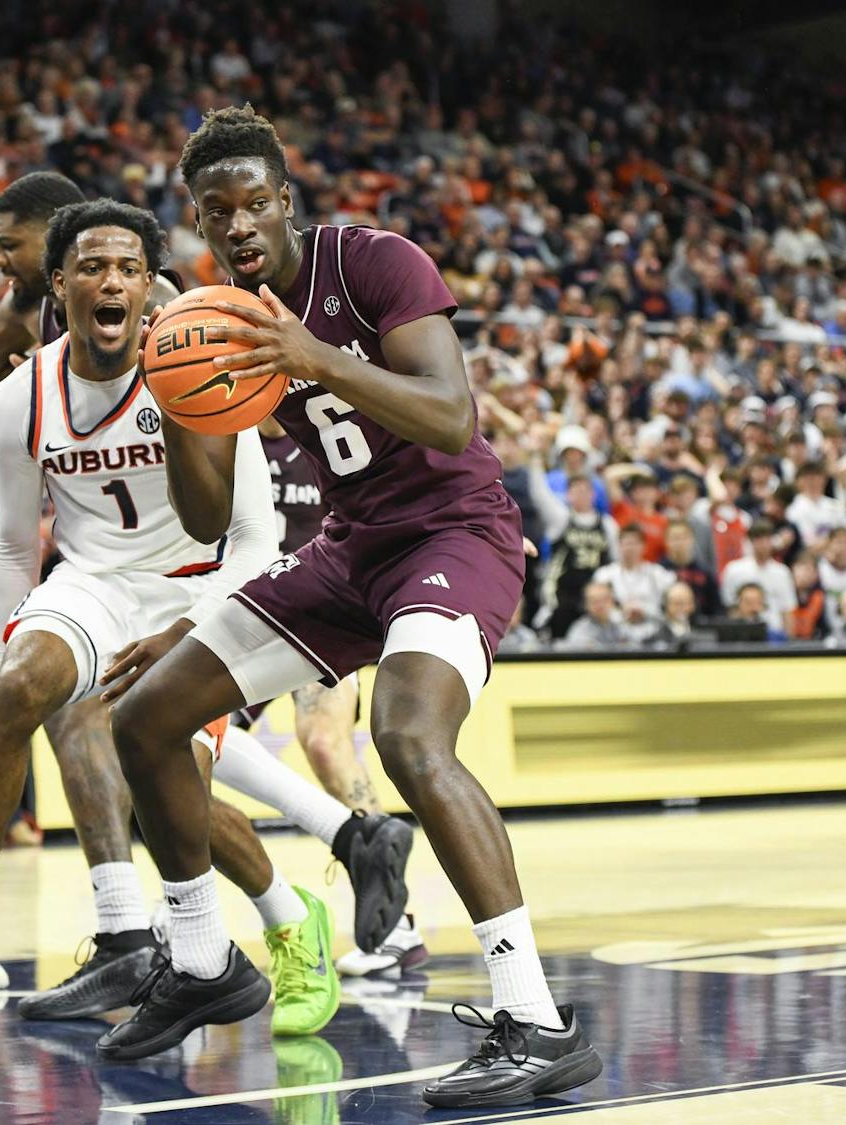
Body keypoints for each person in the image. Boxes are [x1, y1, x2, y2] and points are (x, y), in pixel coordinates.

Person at [100, 108, 599, 1104]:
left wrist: (312, 356)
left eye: (253, 202)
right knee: (146, 718)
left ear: (284, 200)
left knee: (410, 738)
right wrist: (172, 395)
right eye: (216, 211)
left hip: (454, 532)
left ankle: (536, 1020)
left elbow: (453, 419)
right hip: (348, 549)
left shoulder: (375, 262)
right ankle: (203, 965)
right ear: (202, 222)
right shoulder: (220, 315)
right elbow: (204, 519)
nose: (238, 224)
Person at [0, 201, 340, 1051]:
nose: (112, 281)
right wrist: (2, 649)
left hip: (202, 591)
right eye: (92, 266)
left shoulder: (199, 364)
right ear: (59, 284)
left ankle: (289, 920)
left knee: (171, 790)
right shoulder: (20, 395)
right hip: (94, 583)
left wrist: (200, 629)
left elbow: (254, 538)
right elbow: (16, 544)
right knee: (17, 694)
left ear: (149, 283)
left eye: (129, 267)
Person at [217, 413, 425, 979]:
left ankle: (396, 921)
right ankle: (184, 915)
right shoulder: (220, 437)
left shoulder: (322, 434)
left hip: (320, 611)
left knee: (326, 745)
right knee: (194, 750)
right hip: (244, 616)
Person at [537, 474, 618, 639]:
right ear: (568, 495)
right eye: (576, 490)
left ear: (594, 494)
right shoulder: (561, 519)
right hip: (563, 596)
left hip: (596, 595)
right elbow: (540, 496)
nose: (581, 494)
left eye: (585, 490)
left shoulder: (608, 524)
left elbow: (615, 562)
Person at [591, 524, 675, 644]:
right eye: (626, 543)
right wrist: (621, 614)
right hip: (614, 636)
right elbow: (596, 608)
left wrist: (645, 612)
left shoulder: (659, 574)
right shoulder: (604, 575)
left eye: (635, 543)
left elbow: (673, 606)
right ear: (619, 546)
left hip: (654, 633)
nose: (630, 548)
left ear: (644, 546)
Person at [721, 520, 796, 635]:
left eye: (767, 539)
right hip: (743, 632)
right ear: (751, 541)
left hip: (775, 632)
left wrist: (789, 641)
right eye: (759, 539)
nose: (764, 544)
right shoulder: (734, 570)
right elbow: (730, 608)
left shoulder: (782, 572)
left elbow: (787, 610)